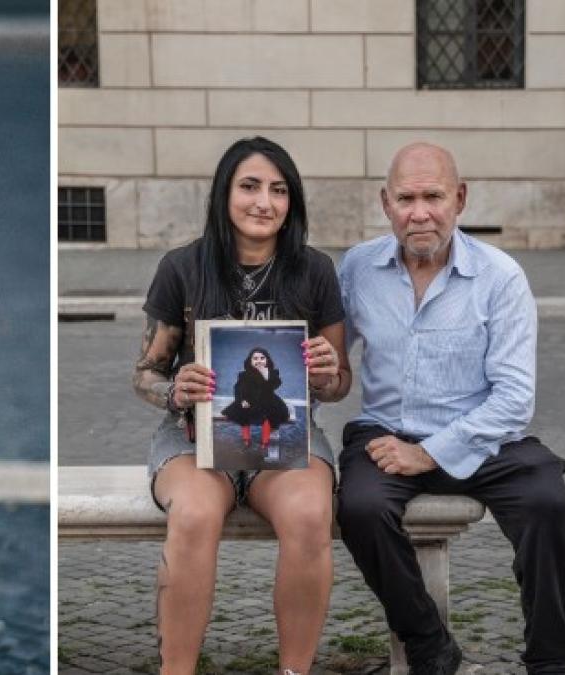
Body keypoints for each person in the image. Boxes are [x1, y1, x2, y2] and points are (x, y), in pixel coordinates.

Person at [336, 142, 565, 674]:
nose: (419, 212)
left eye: (433, 196)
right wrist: (318, 373)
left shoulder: (500, 276)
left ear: (460, 200)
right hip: (385, 433)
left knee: (548, 503)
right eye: (405, 198)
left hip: (486, 437)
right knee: (358, 508)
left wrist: (430, 453)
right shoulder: (357, 268)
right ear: (385, 203)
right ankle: (431, 648)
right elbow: (334, 364)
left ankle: (550, 661)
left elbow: (515, 398)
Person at [133, 136, 351, 675]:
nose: (264, 202)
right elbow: (145, 374)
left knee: (308, 514)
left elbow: (340, 381)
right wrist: (173, 389)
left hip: (287, 434)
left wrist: (326, 374)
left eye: (278, 190)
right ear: (224, 194)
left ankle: (294, 670)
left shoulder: (316, 271)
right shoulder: (183, 267)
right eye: (249, 186)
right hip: (193, 436)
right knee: (196, 513)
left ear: (292, 202)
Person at [220, 347, 291, 450]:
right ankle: (246, 438)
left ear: (267, 360)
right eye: (255, 358)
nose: (259, 361)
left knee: (268, 417)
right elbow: (238, 389)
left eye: (262, 358)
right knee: (243, 414)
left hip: (268, 400)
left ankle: (265, 441)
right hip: (249, 400)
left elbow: (275, 385)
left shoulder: (272, 373)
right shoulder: (244, 375)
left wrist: (265, 374)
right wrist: (242, 400)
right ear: (250, 361)